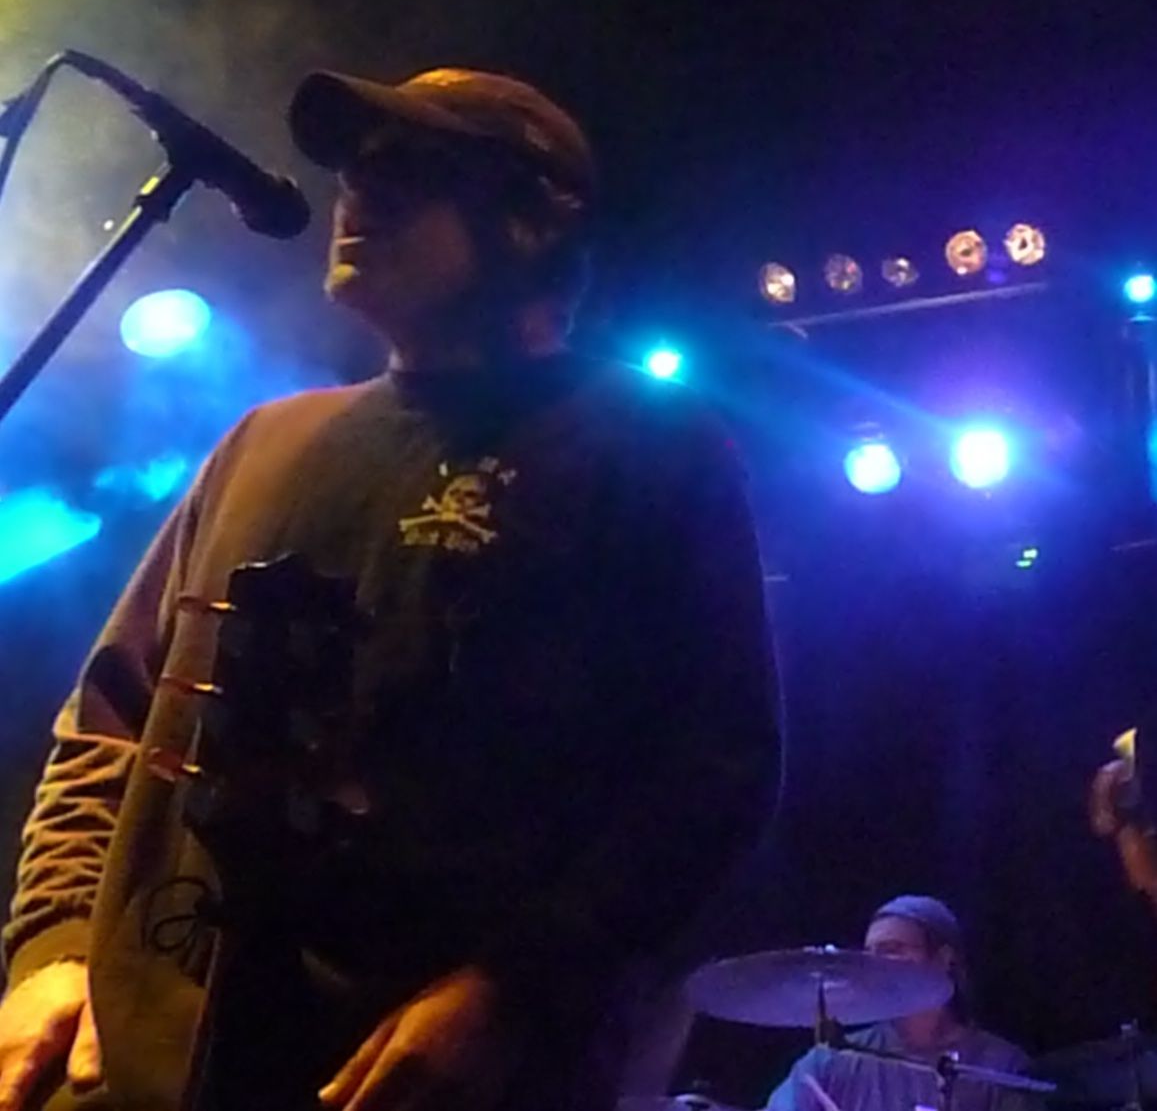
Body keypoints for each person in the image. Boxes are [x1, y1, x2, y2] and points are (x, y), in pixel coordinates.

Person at [0, 65, 779, 1111]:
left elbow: (712, 773)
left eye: (407, 168)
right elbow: (108, 724)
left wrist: (511, 988)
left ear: (532, 219)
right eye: (355, 170)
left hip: (416, 1079)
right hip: (140, 1069)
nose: (357, 195)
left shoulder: (649, 448)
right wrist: (53, 948)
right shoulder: (263, 442)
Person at [767, 896, 1029, 1111]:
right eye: (869, 953)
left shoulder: (1001, 1068)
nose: (874, 963)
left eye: (892, 949)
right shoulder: (831, 1062)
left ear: (943, 959)